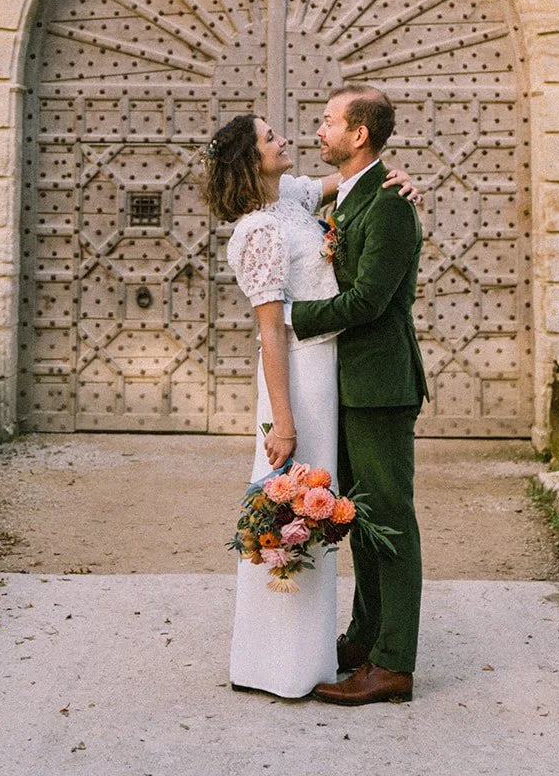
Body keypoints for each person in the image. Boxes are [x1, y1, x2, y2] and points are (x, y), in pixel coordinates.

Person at [202, 113, 417, 700]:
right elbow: (272, 333)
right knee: (293, 507)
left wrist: (398, 179)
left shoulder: (292, 199)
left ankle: (325, 648)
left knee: (328, 510)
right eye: (272, 139)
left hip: (333, 376)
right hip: (297, 381)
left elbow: (354, 182)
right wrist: (284, 421)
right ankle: (278, 659)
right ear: (252, 160)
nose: (287, 140)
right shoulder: (258, 233)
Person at [290, 85, 427, 707]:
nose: (319, 131)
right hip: (347, 386)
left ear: (359, 134)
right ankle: (366, 638)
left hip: (380, 386)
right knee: (362, 521)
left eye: (327, 122)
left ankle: (393, 664)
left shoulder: (391, 206)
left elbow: (369, 301)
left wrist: (289, 317)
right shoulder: (348, 196)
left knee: (390, 521)